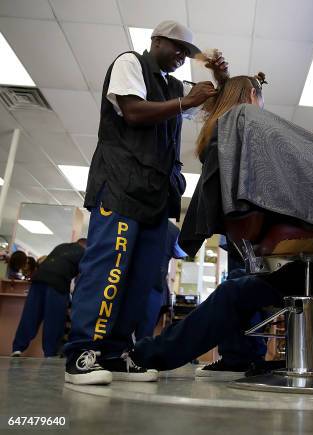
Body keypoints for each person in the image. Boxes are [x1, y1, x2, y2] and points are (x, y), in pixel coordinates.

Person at [63, 20, 229, 386]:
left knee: (142, 281)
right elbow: (134, 111)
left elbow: (213, 100)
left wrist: (219, 77)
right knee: (108, 270)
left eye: (187, 54)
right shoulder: (130, 64)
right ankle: (83, 353)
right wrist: (186, 101)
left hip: (156, 197)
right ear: (156, 41)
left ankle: (114, 353)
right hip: (120, 187)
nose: (181, 58)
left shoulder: (173, 86)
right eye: (176, 49)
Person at [11, 239, 86, 357]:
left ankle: (17, 348)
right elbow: (82, 278)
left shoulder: (61, 246)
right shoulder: (84, 252)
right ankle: (50, 353)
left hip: (38, 279)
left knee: (30, 314)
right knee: (54, 320)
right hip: (58, 283)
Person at [134, 221, 186, 340]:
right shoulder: (172, 230)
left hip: (131, 279)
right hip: (155, 284)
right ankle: (137, 355)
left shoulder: (136, 219)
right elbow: (181, 253)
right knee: (144, 335)